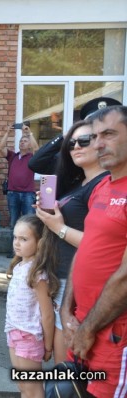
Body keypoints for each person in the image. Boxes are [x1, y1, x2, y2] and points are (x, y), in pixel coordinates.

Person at [60, 105, 127, 397]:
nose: (99, 144)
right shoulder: (103, 186)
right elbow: (86, 249)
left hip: (114, 335)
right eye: (95, 136)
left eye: (109, 134)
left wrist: (87, 329)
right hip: (83, 325)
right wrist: (66, 309)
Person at [34, 120, 107, 363]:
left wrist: (59, 227)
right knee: (60, 363)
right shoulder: (79, 181)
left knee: (68, 366)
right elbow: (37, 163)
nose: (76, 146)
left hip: (76, 284)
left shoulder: (103, 184)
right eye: (72, 142)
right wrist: (49, 214)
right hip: (60, 276)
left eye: (84, 140)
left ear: (101, 143)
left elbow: (101, 245)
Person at [5, 214, 57, 398]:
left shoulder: (37, 274)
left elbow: (47, 314)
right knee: (22, 386)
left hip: (29, 337)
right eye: (15, 237)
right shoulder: (19, 266)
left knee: (33, 389)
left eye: (24, 239)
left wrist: (49, 345)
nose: (17, 243)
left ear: (39, 243)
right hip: (14, 332)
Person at [29, 97, 123, 176]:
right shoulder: (78, 161)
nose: (77, 146)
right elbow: (36, 164)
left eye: (108, 133)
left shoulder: (120, 161)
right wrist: (65, 137)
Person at [0, 122, 39, 258]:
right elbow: (0, 148)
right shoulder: (13, 156)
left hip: (28, 194)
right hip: (13, 193)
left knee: (30, 223)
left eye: (25, 141)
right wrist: (7, 133)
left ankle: (31, 251)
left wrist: (29, 133)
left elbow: (37, 148)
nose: (22, 143)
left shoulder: (32, 157)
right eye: (21, 141)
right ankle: (15, 251)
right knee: (13, 223)